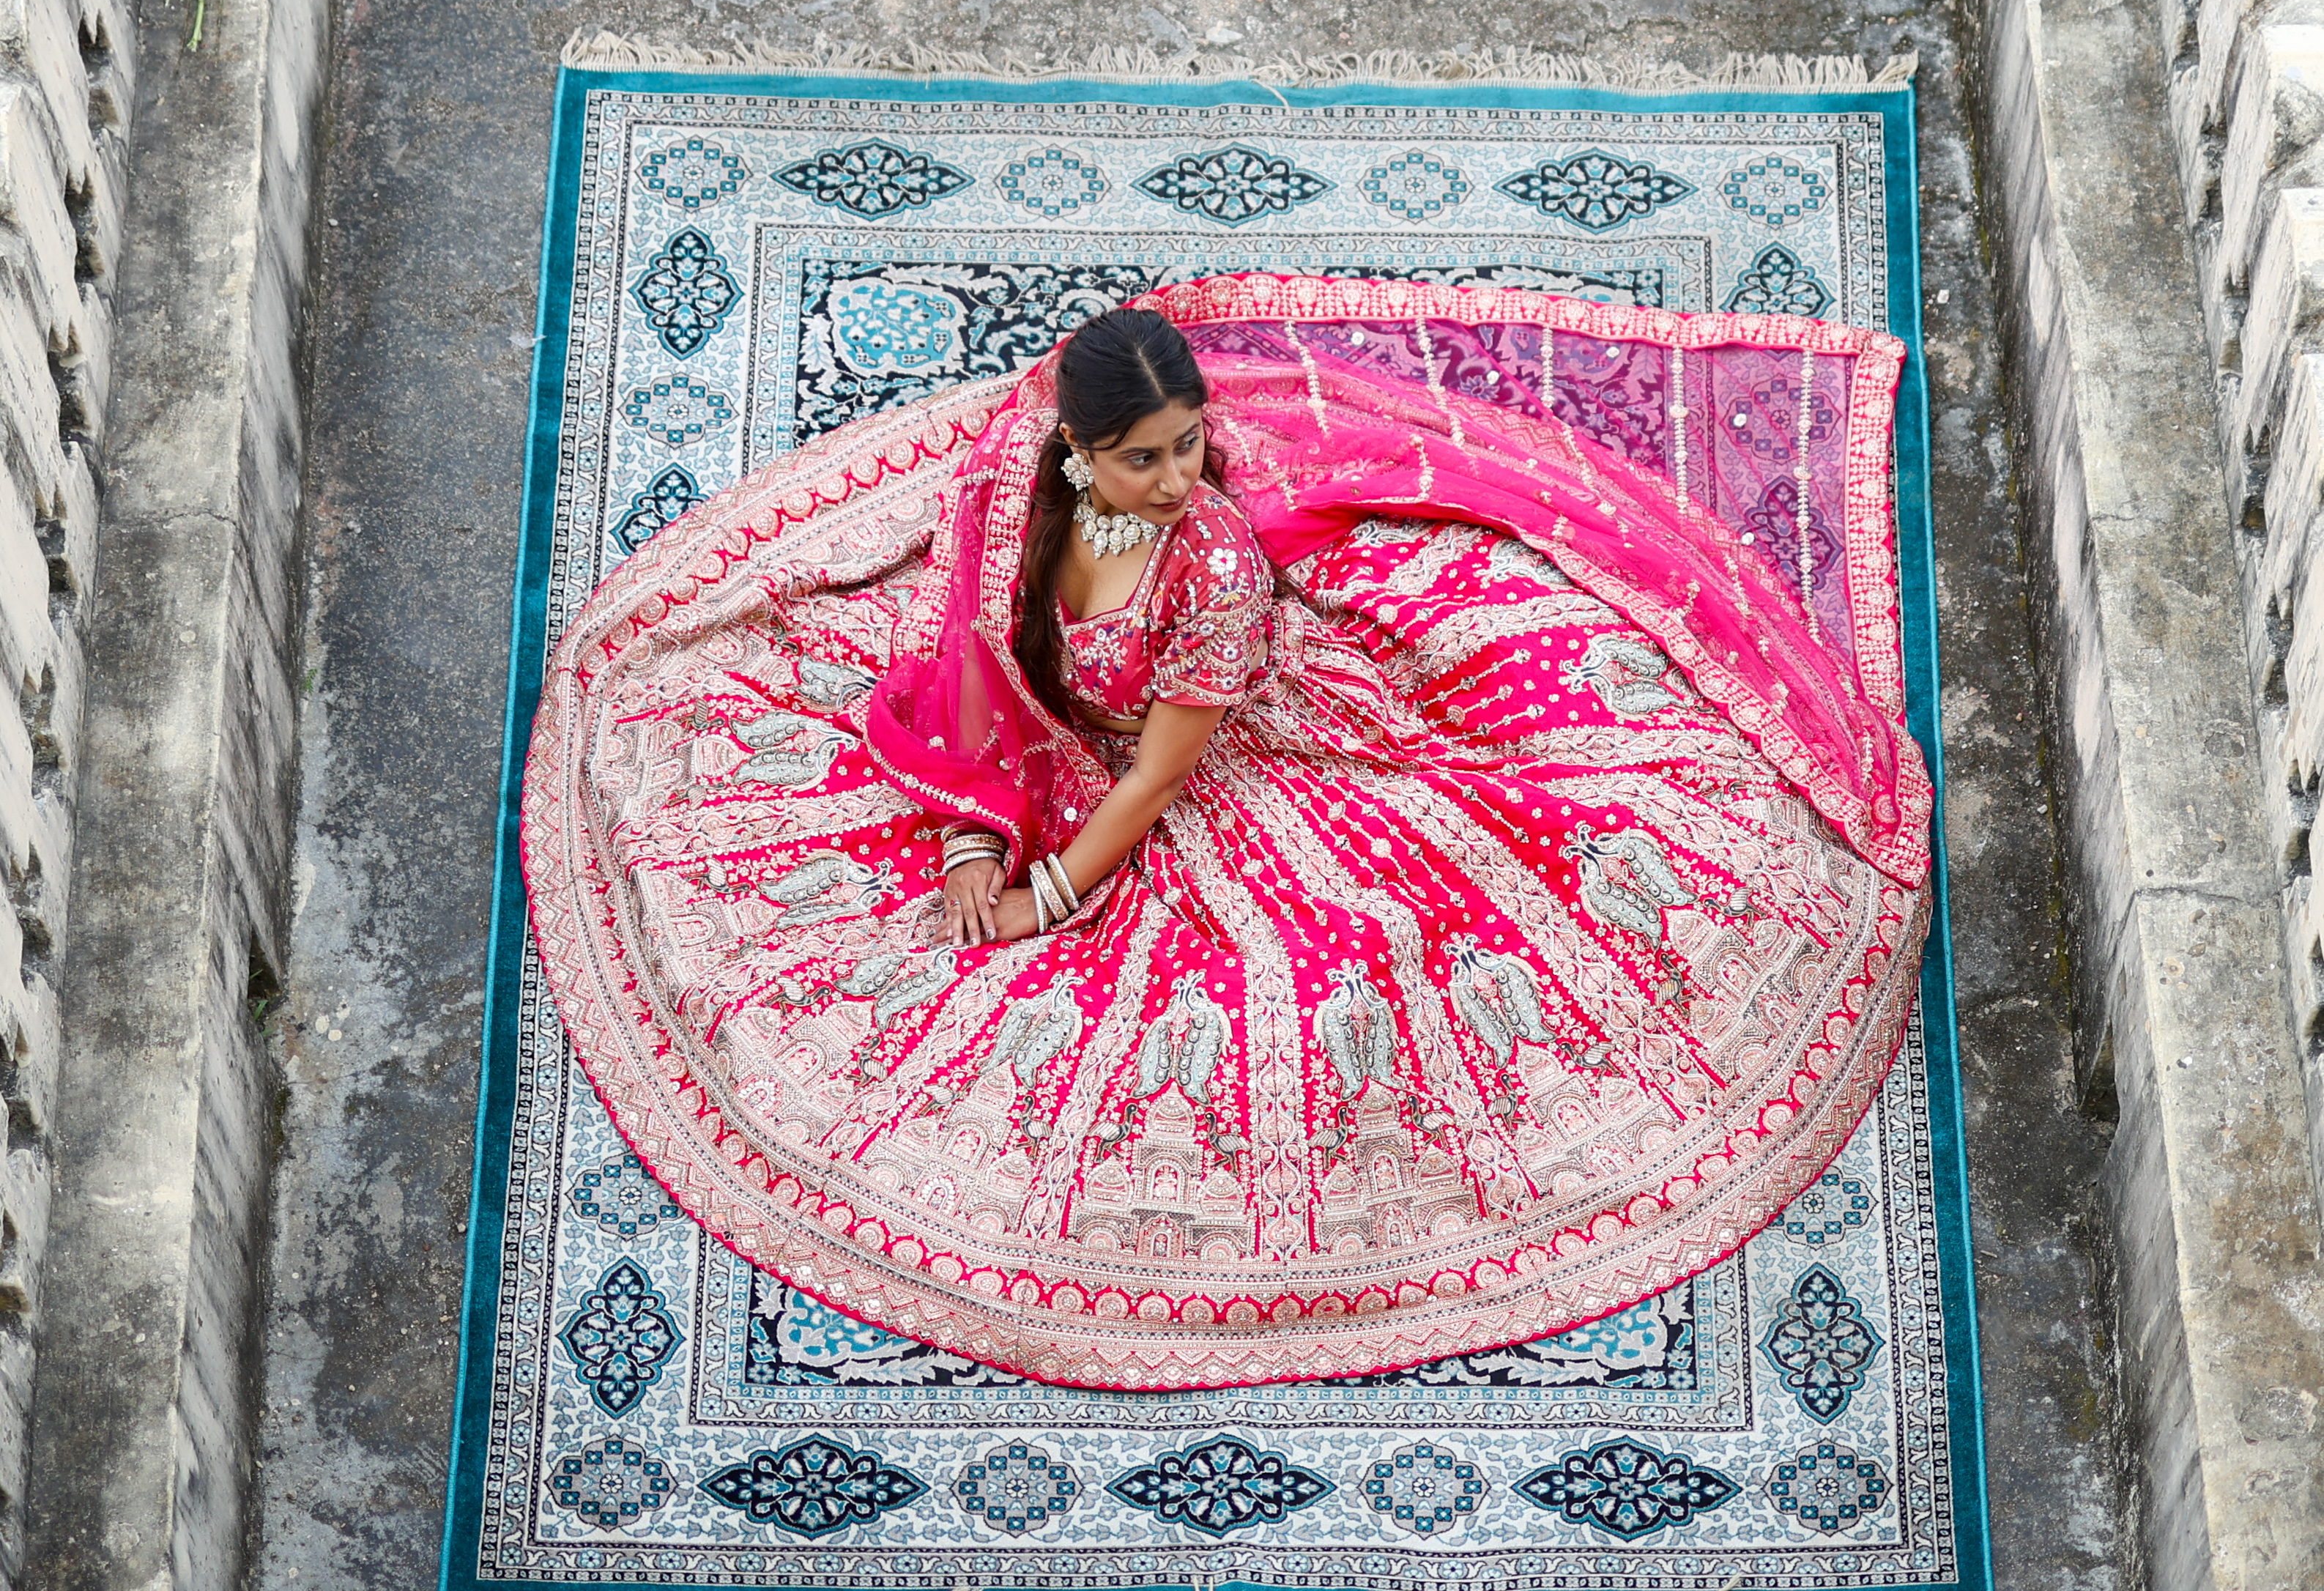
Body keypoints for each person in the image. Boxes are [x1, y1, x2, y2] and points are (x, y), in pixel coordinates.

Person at [526, 274, 1931, 1391]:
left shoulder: (1211, 563)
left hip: (1237, 755)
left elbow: (1154, 786)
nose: (1177, 476)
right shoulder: (1025, 492)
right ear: (1076, 452)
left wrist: (1050, 896)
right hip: (1077, 731)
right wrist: (971, 826)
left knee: (1355, 971)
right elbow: (969, 639)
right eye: (1142, 457)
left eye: (1192, 444)